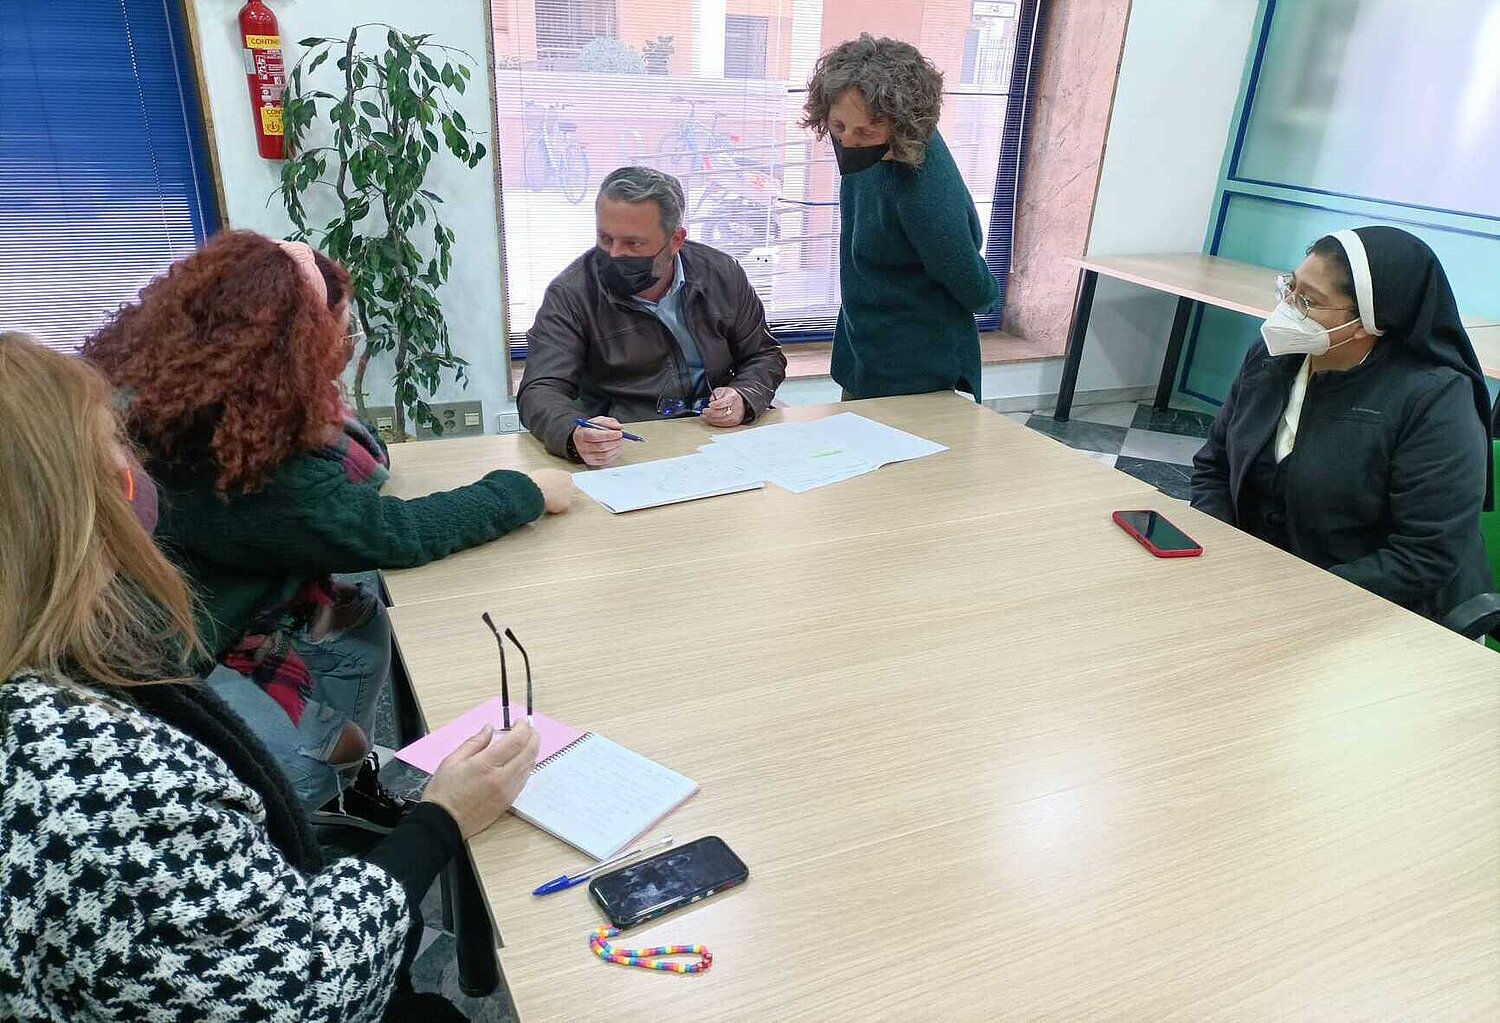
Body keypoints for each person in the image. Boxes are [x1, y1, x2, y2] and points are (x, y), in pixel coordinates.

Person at [0, 331, 541, 1022]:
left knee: (354, 618)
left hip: (228, 680)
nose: (135, 463)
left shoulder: (59, 669)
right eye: (115, 442)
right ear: (77, 492)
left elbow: (365, 459)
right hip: (295, 960)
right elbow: (304, 987)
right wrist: (444, 817)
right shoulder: (86, 774)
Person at [81, 231, 572, 830]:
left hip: (185, 620)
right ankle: (307, 818)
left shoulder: (194, 393)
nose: (344, 349)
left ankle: (352, 782)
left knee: (359, 612)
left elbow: (366, 462)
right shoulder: (236, 459)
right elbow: (389, 530)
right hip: (164, 674)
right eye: (336, 336)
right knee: (322, 736)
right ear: (289, 350)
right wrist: (521, 492)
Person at [1191, 226, 1492, 623]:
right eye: (1290, 288)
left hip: (1371, 607)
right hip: (1256, 588)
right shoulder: (1271, 357)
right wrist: (1219, 552)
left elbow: (1424, 554)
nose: (1289, 308)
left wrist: (1293, 599)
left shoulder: (1434, 399)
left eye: (1309, 301)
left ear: (1369, 320)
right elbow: (1214, 466)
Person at [518, 166, 788, 467]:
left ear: (676, 240)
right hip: (631, 441)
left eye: (633, 243)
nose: (615, 254)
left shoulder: (722, 273)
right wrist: (573, 433)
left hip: (722, 436)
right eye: (605, 239)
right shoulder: (571, 293)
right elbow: (540, 389)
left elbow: (765, 355)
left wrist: (744, 397)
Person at [800, 34, 998, 402]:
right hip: (865, 346)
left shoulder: (922, 187)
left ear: (902, 123)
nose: (848, 141)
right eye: (839, 126)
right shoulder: (866, 152)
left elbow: (973, 285)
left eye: (866, 131)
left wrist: (989, 298)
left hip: (916, 364)